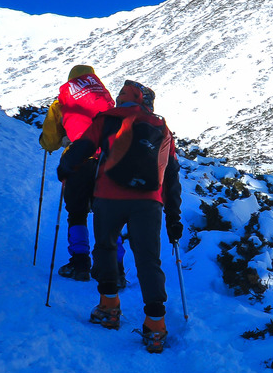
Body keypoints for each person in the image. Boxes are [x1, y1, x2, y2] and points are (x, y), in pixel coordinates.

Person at [58, 80, 184, 353]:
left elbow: (83, 148)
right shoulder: (162, 128)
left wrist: (66, 168)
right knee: (148, 260)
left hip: (108, 197)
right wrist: (174, 217)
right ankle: (155, 326)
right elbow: (171, 175)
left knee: (105, 247)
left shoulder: (107, 119)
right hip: (149, 203)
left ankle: (109, 308)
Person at [39, 64, 117, 280]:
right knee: (110, 214)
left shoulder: (63, 101)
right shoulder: (107, 100)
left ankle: (80, 263)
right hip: (109, 161)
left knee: (77, 213)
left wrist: (52, 141)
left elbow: (50, 141)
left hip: (79, 162)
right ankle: (116, 269)